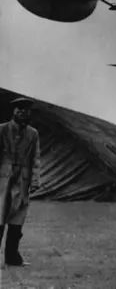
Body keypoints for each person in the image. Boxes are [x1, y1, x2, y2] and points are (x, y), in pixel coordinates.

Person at [0, 97, 41, 267]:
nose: (22, 112)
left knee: (17, 220)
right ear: (14, 111)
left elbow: (36, 157)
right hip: (2, 180)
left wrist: (36, 178)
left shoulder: (33, 133)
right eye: (19, 109)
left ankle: (13, 258)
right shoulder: (2, 130)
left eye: (26, 109)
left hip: (22, 180)